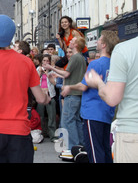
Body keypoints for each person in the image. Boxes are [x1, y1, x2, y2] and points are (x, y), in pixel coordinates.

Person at [0, 15, 50, 163]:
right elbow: (40, 98)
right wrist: (47, 97)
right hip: (19, 132)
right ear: (12, 36)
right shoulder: (26, 63)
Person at [60, 30, 119, 163]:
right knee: (105, 149)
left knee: (95, 151)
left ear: (103, 45)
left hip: (93, 112)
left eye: (99, 39)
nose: (97, 41)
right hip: (107, 111)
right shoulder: (114, 64)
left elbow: (84, 86)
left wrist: (70, 87)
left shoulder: (95, 64)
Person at [85, 35, 138, 163]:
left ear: (103, 45)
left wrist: (98, 82)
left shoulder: (124, 50)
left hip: (131, 130)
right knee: (105, 148)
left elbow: (112, 98)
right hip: (107, 116)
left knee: (97, 149)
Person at [44, 36, 87, 153]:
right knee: (76, 120)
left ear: (76, 45)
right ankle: (80, 146)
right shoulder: (81, 58)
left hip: (72, 94)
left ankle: (73, 147)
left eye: (73, 41)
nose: (70, 42)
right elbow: (71, 75)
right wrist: (59, 75)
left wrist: (51, 68)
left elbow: (67, 74)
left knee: (69, 120)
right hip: (78, 94)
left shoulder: (75, 57)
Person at [37, 54, 57, 142]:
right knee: (40, 115)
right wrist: (40, 73)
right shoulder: (38, 69)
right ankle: (41, 134)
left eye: (47, 61)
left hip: (50, 94)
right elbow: (34, 81)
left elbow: (55, 83)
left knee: (51, 115)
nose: (45, 62)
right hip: (41, 95)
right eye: (44, 61)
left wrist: (48, 73)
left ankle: (52, 135)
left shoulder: (52, 71)